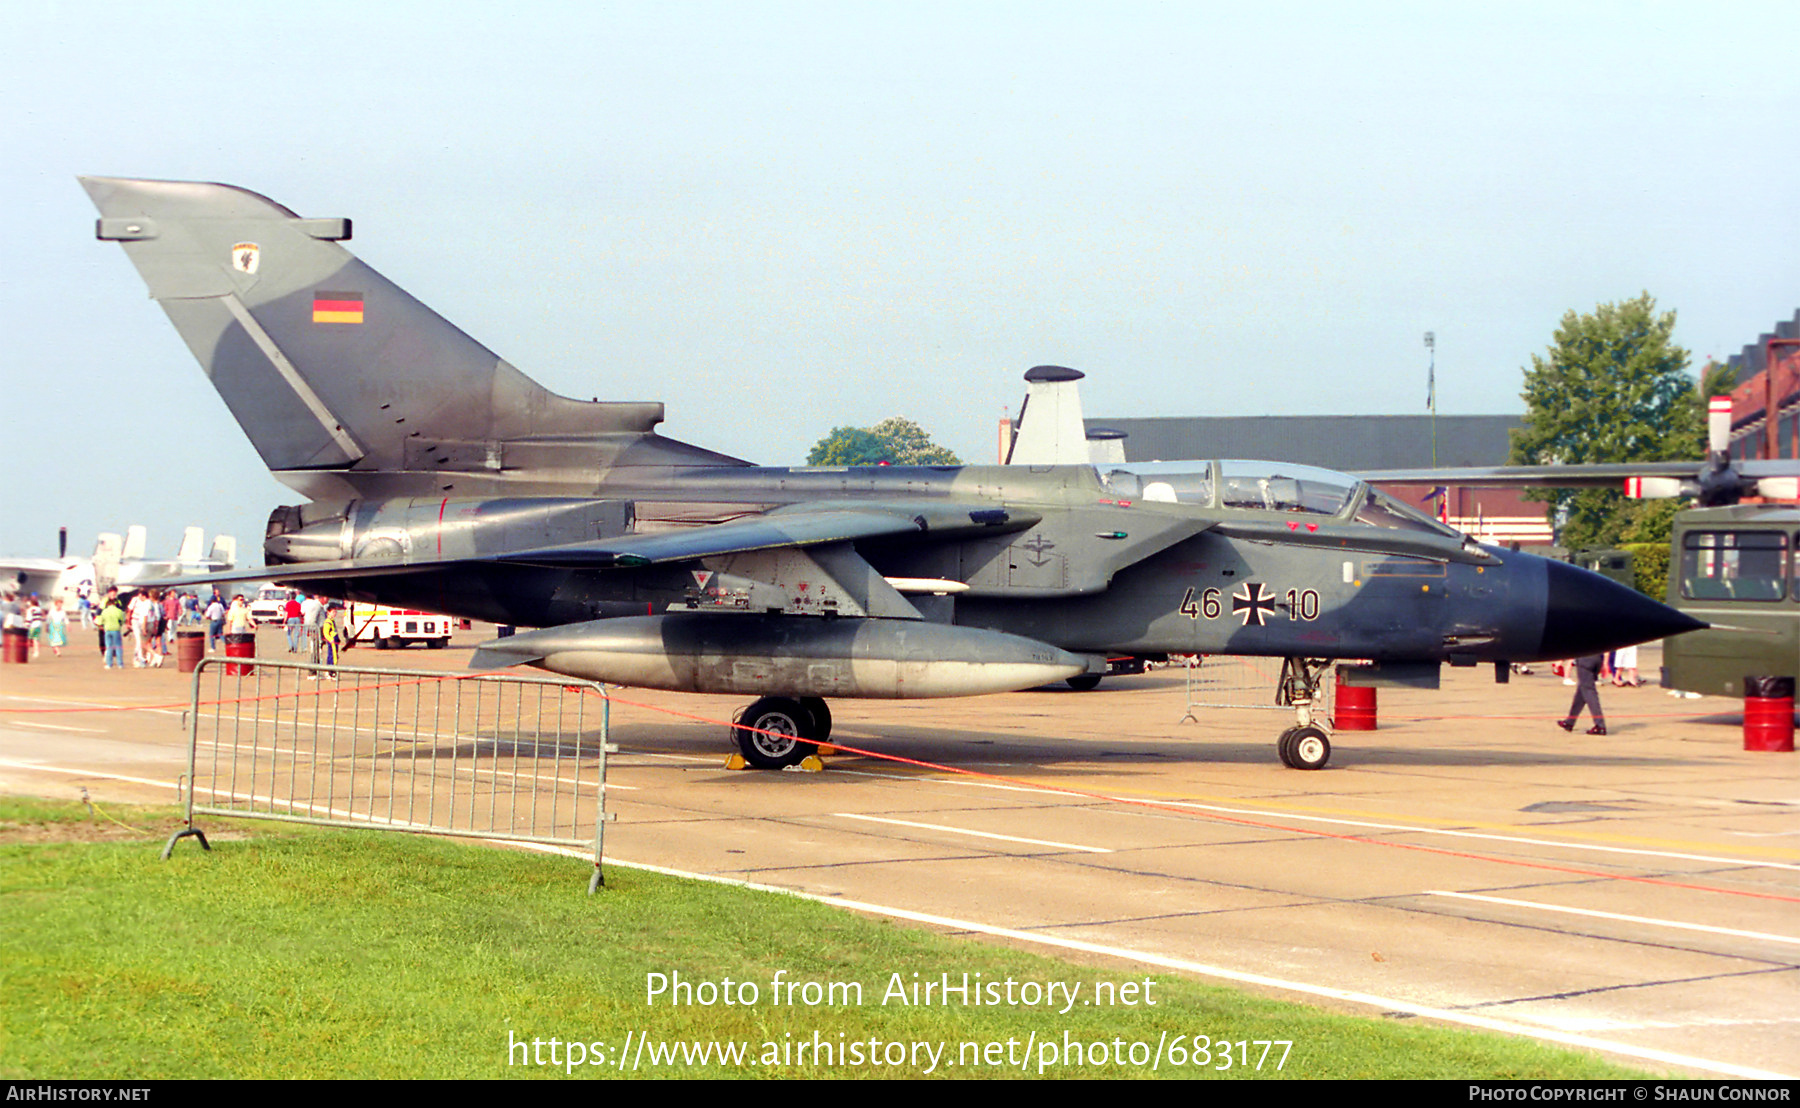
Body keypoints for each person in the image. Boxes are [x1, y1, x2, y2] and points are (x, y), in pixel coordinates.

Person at [1558, 653, 1606, 735]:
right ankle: (1570, 721)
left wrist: (1560, 660)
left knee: (1589, 691)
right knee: (1582, 690)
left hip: (1585, 659)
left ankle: (1600, 725)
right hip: (1597, 658)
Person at [97, 590, 127, 669]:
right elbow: (122, 619)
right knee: (118, 647)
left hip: (107, 629)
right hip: (116, 629)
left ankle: (109, 664)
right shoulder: (119, 611)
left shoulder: (104, 611)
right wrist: (120, 624)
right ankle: (120, 664)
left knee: (109, 647)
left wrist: (102, 626)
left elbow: (100, 620)